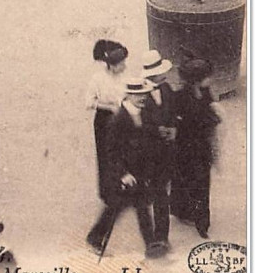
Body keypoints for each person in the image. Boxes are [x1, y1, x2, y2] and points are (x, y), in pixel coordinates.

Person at [86, 77, 169, 259]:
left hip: (140, 171)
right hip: (126, 174)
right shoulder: (118, 120)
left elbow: (148, 135)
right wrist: (123, 173)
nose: (142, 98)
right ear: (129, 95)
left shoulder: (144, 113)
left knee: (137, 207)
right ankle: (95, 237)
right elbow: (111, 152)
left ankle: (150, 244)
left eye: (144, 94)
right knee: (116, 207)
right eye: (138, 95)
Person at [172, 58, 220, 239]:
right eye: (208, 77)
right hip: (185, 146)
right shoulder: (182, 97)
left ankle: (202, 222)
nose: (211, 79)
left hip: (201, 147)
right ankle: (183, 211)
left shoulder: (206, 92)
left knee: (201, 183)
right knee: (186, 179)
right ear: (197, 80)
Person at [141, 49, 177, 254]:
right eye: (162, 72)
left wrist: (172, 127)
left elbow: (172, 112)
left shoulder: (166, 89)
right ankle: (158, 238)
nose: (166, 74)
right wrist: (156, 130)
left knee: (162, 190)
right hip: (149, 153)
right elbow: (137, 123)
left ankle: (162, 236)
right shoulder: (141, 94)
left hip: (166, 150)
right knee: (157, 192)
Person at [86, 40, 129, 202]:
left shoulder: (124, 77)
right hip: (104, 120)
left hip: (122, 118)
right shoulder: (98, 79)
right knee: (106, 154)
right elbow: (89, 102)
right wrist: (109, 107)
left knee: (122, 152)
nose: (124, 66)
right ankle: (109, 193)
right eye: (121, 64)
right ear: (111, 65)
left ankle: (124, 187)